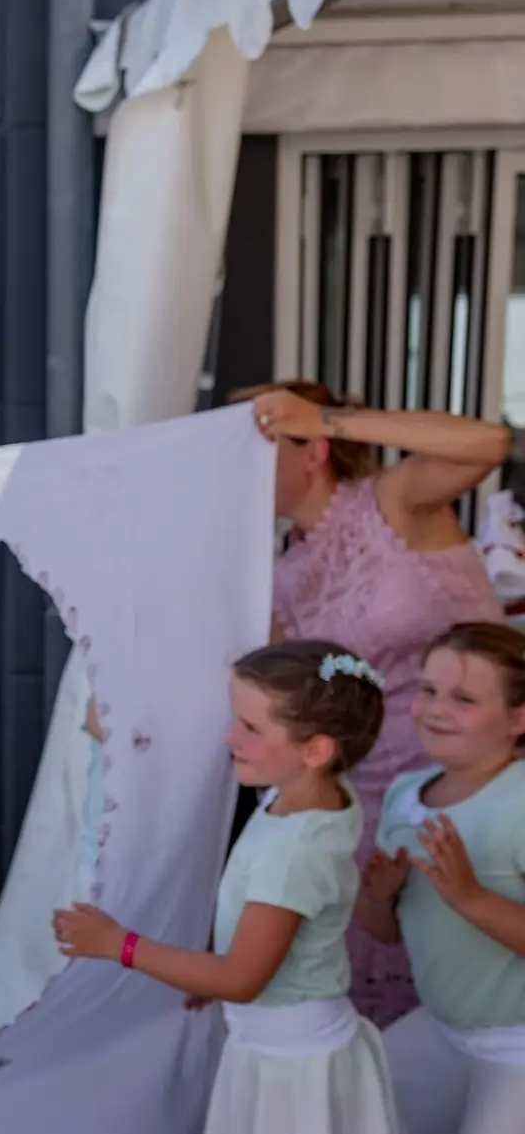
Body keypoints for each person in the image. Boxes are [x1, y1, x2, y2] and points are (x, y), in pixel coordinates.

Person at [55, 640, 400, 1134]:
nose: (229, 738)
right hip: (274, 1044)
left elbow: (241, 979)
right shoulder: (303, 796)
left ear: (316, 750)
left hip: (292, 1067)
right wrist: (211, 959)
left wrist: (119, 944)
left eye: (251, 729)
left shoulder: (295, 853)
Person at [251, 379, 508, 1024]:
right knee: (392, 985)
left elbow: (491, 442)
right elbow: (291, 695)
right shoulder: (282, 574)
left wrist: (332, 420)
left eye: (255, 446)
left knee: (487, 972)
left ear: (310, 450)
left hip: (487, 777)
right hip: (375, 801)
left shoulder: (392, 501)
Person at [359, 622, 525, 1133]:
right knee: (357, 1110)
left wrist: (470, 897)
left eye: (463, 699)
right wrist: (379, 898)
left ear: (518, 717)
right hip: (440, 1026)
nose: (435, 709)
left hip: (515, 1045)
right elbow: (385, 932)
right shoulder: (405, 793)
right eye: (428, 690)